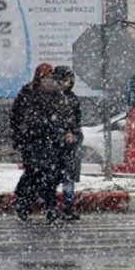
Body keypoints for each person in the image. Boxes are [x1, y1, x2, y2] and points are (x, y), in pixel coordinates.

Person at [10, 63, 75, 223]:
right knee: (34, 173)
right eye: (44, 77)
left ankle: (49, 207)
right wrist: (21, 132)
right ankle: (23, 203)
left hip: (50, 140)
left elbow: (65, 113)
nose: (47, 80)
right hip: (32, 141)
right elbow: (16, 114)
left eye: (50, 77)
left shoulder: (56, 93)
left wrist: (67, 129)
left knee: (51, 175)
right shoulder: (28, 92)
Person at [53, 66, 83, 221]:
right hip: (53, 146)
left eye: (68, 80)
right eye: (62, 80)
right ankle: (50, 206)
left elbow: (77, 122)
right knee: (51, 177)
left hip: (69, 148)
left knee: (68, 178)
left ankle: (68, 206)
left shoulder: (72, 98)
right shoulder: (50, 98)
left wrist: (73, 135)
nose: (66, 83)